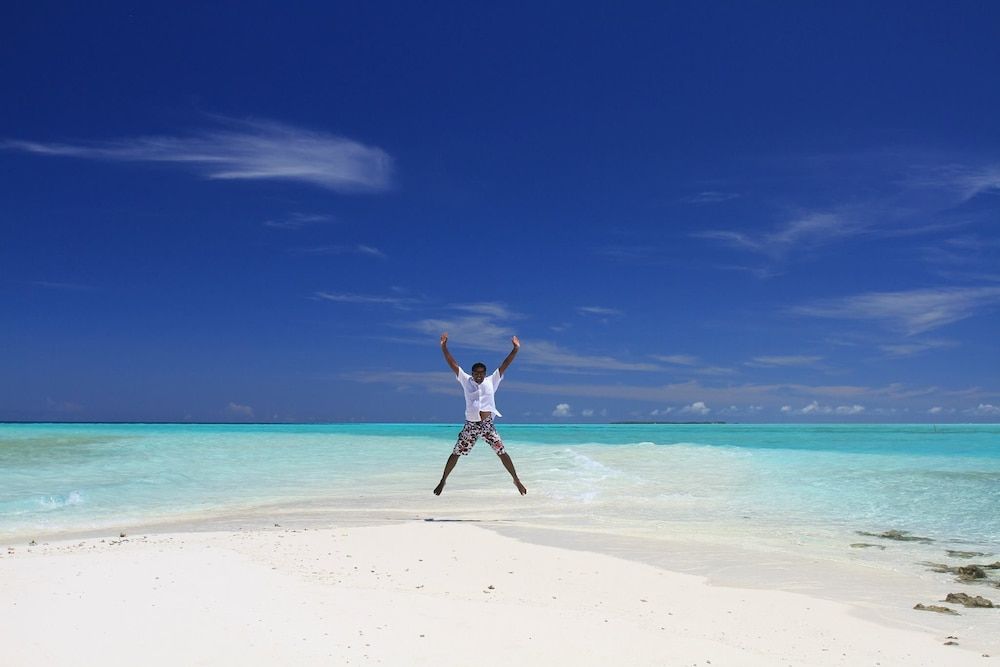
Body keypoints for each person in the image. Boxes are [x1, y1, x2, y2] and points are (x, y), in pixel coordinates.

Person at [433, 332, 527, 496]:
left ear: (485, 373)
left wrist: (515, 349)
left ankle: (516, 479)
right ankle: (443, 480)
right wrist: (444, 347)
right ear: (472, 373)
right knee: (456, 453)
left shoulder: (492, 380)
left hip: (487, 426)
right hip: (470, 425)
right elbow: (452, 363)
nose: (478, 376)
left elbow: (505, 364)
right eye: (475, 373)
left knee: (502, 452)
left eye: (481, 373)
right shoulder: (465, 380)